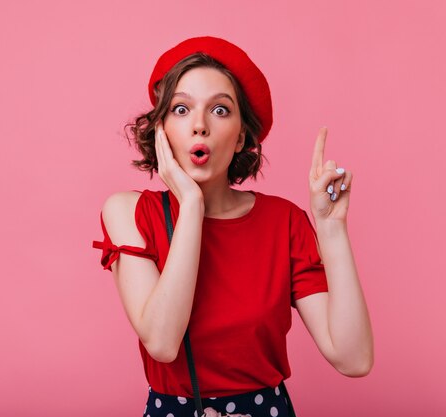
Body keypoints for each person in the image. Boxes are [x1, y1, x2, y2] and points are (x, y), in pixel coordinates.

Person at [92, 36, 374, 417]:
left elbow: (353, 359)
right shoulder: (129, 212)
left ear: (241, 136)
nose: (199, 125)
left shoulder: (283, 222)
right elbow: (162, 341)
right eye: (180, 109)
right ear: (160, 130)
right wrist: (191, 203)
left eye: (220, 110)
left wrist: (332, 228)